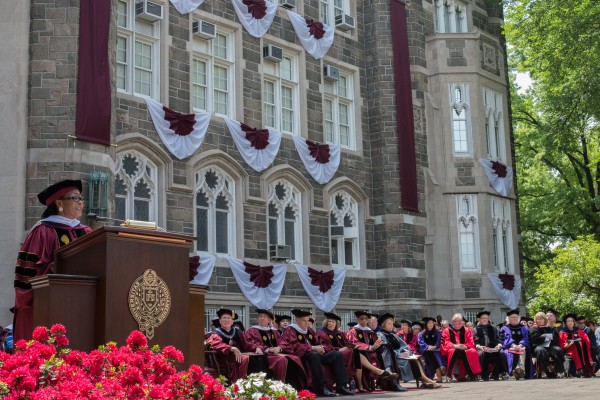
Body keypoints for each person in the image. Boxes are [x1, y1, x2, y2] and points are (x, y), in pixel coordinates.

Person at [13, 179, 92, 342]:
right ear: (59, 203)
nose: (80, 203)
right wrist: (56, 267)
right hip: (48, 304)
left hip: (82, 302)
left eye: (81, 199)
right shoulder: (42, 231)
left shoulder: (87, 231)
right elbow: (26, 277)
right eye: (75, 198)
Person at [279, 309, 354, 396]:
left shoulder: (309, 330)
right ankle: (321, 387)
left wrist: (321, 348)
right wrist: (312, 348)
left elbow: (317, 343)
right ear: (297, 320)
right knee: (314, 355)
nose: (307, 323)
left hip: (315, 354)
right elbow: (292, 346)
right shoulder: (290, 330)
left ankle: (341, 386)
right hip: (302, 356)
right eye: (304, 321)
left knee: (336, 354)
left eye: (307, 321)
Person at [317, 312, 396, 392]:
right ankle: (376, 371)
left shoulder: (340, 333)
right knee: (356, 353)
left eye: (333, 322)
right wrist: (340, 349)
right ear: (326, 323)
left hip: (348, 353)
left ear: (336, 323)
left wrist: (355, 347)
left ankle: (362, 384)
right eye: (329, 322)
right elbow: (324, 347)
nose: (331, 323)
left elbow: (348, 344)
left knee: (356, 353)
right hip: (333, 355)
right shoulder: (322, 333)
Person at [244, 308, 307, 389]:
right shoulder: (252, 330)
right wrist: (267, 349)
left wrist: (279, 348)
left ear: (269, 320)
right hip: (264, 355)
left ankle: (295, 386)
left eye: (264, 317)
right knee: (282, 360)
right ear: (257, 319)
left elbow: (284, 343)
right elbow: (251, 343)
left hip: (276, 354)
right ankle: (279, 386)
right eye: (260, 316)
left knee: (295, 358)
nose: (262, 318)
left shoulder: (274, 332)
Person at [378, 313, 442, 389]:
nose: (391, 326)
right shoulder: (380, 335)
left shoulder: (393, 335)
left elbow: (404, 346)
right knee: (412, 362)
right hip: (393, 358)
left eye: (392, 324)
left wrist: (406, 352)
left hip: (401, 357)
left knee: (416, 359)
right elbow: (385, 349)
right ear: (383, 324)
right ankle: (427, 381)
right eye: (389, 324)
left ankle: (425, 382)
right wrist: (399, 354)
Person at [205, 308, 253, 382]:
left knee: (255, 358)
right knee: (244, 358)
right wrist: (232, 348)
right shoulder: (215, 333)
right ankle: (239, 382)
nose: (226, 320)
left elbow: (248, 343)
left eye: (228, 318)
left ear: (232, 321)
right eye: (224, 318)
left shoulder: (238, 332)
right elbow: (217, 344)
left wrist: (257, 348)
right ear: (220, 321)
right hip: (222, 358)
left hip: (237, 356)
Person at [440, 313, 482, 381]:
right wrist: (455, 345)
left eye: (461, 321)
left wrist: (465, 346)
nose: (460, 323)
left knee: (473, 351)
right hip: (453, 348)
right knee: (453, 351)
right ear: (453, 322)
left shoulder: (467, 330)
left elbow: (471, 341)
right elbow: (445, 342)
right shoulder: (447, 330)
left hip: (465, 348)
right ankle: (450, 375)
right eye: (457, 321)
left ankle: (472, 374)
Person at [528, 311, 565, 378]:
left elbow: (554, 338)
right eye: (537, 319)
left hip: (549, 346)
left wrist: (544, 336)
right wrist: (546, 336)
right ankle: (543, 371)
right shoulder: (533, 328)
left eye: (541, 319)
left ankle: (559, 371)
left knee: (558, 350)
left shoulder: (550, 327)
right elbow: (534, 339)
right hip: (537, 346)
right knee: (541, 350)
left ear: (544, 319)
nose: (539, 321)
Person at [499, 309, 533, 380]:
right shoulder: (505, 328)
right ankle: (514, 371)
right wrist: (513, 345)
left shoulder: (524, 327)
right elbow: (505, 339)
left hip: (522, 347)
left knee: (522, 352)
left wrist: (521, 345)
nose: (514, 319)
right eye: (512, 317)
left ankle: (520, 370)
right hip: (510, 347)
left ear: (519, 318)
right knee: (509, 353)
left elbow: (526, 338)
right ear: (508, 318)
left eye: (516, 317)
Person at [474, 311, 507, 380]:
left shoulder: (493, 329)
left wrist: (499, 345)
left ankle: (496, 374)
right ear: (478, 319)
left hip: (493, 349)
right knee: (482, 354)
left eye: (486, 318)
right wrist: (480, 346)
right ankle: (484, 375)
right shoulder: (475, 329)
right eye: (483, 318)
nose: (485, 320)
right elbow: (474, 341)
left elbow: (499, 339)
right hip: (481, 349)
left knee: (501, 353)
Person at [418, 317, 446, 382]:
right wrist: (427, 347)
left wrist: (434, 346)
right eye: (428, 323)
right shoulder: (421, 334)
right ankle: (439, 373)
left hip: (436, 351)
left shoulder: (438, 333)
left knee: (432, 355)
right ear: (425, 324)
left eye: (431, 323)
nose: (430, 324)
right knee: (429, 354)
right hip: (426, 351)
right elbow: (421, 343)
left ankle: (435, 375)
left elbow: (439, 341)